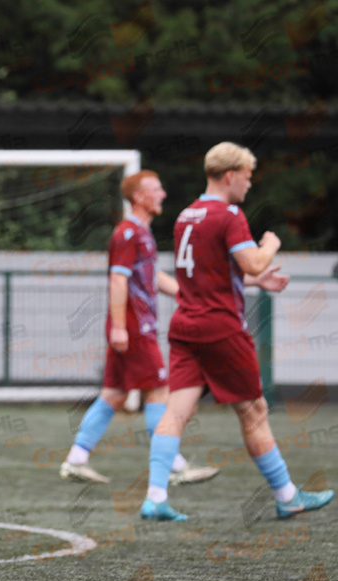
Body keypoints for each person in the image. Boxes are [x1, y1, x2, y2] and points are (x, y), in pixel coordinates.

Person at [141, 142, 333, 521]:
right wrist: (271, 244)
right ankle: (288, 496)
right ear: (230, 176)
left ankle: (155, 496)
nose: (248, 185)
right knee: (255, 410)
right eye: (246, 177)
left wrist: (256, 282)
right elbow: (253, 259)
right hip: (220, 327)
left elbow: (209, 271)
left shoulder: (186, 215)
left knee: (177, 410)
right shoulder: (230, 215)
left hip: (185, 324)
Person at [60, 171, 218, 486]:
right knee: (159, 390)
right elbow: (118, 279)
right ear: (140, 197)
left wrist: (186, 295)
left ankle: (76, 460)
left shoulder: (141, 234)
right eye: (156, 189)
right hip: (133, 328)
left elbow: (150, 275)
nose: (162, 194)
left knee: (114, 395)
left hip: (134, 327)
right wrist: (119, 327)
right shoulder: (127, 234)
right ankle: (174, 466)